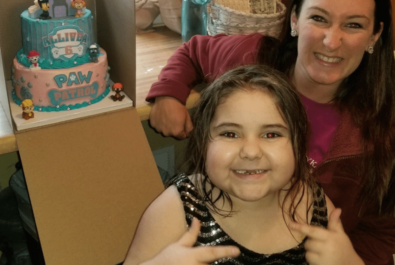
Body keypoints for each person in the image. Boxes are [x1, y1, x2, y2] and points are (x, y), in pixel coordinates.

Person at [145, 0, 395, 264]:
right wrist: (168, 93)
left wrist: (349, 260)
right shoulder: (251, 58)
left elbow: (381, 230)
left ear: (375, 34)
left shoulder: (384, 125)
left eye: (353, 25)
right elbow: (194, 51)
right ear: (295, 20)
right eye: (319, 18)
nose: (331, 41)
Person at [124, 65, 365, 265]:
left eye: (271, 134)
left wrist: (349, 261)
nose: (250, 152)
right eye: (230, 134)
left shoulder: (316, 205)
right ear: (203, 143)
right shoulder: (177, 208)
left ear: (298, 145)